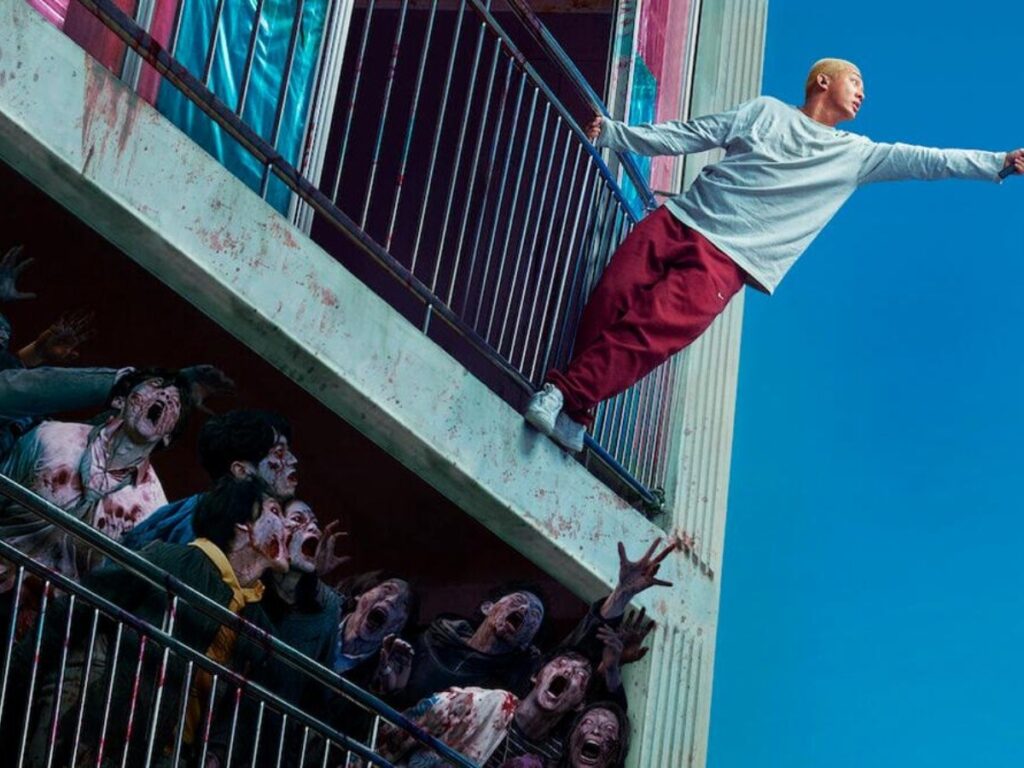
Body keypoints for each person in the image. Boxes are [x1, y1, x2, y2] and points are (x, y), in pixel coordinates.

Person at [524, 58, 1024, 452]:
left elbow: (929, 161)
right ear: (822, 81)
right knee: (609, 297)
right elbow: (693, 132)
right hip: (679, 220)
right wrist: (617, 134)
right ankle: (576, 412)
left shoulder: (857, 155)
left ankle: (563, 394)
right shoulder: (765, 110)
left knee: (649, 332)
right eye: (855, 81)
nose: (863, 92)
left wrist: (999, 162)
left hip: (727, 260)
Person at [11, 475, 288, 767]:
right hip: (99, 735)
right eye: (275, 511)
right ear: (243, 525)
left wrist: (216, 753)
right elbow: (77, 608)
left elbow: (242, 707)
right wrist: (19, 676)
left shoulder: (256, 620)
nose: (289, 526)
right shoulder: (173, 561)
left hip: (165, 754)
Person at [0, 368, 193, 633]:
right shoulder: (51, 438)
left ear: (168, 436)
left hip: (43, 626)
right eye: (155, 386)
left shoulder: (152, 507)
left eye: (175, 402)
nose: (164, 397)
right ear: (120, 400)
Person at [123, 408, 297, 548]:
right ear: (241, 471)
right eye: (279, 452)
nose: (293, 460)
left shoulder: (200, 509)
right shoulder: (210, 525)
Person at [397, 583, 546, 708]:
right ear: (487, 608)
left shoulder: (500, 693)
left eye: (534, 614)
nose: (523, 609)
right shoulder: (426, 641)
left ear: (526, 643)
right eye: (517, 601)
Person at [483, 650, 593, 768]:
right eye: (560, 664)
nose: (568, 671)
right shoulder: (490, 705)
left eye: (580, 675)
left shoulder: (554, 758)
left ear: (580, 704)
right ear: (535, 675)